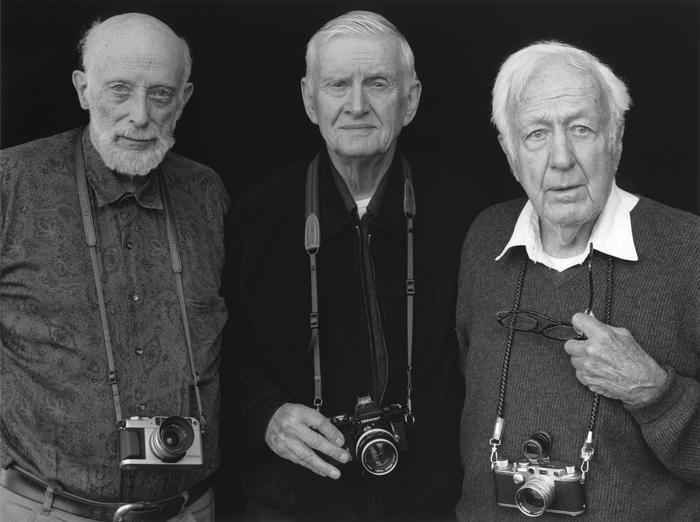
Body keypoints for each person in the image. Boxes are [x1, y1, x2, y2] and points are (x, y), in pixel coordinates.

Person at [224, 10, 483, 521]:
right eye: (338, 84)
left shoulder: (468, 215)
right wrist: (265, 414)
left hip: (433, 507)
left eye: (378, 84)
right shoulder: (257, 213)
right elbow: (222, 351)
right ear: (308, 99)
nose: (357, 105)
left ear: (410, 101)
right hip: (290, 505)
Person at [455, 40, 700, 520]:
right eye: (536, 135)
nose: (561, 158)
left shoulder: (690, 251)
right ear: (509, 152)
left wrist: (655, 394)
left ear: (617, 136)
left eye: (581, 128)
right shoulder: (485, 239)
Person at [0, 13, 230, 522]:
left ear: (185, 99)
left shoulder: (207, 193)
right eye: (120, 90)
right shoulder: (10, 181)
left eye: (161, 95)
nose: (140, 115)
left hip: (188, 510)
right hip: (42, 508)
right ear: (83, 90)